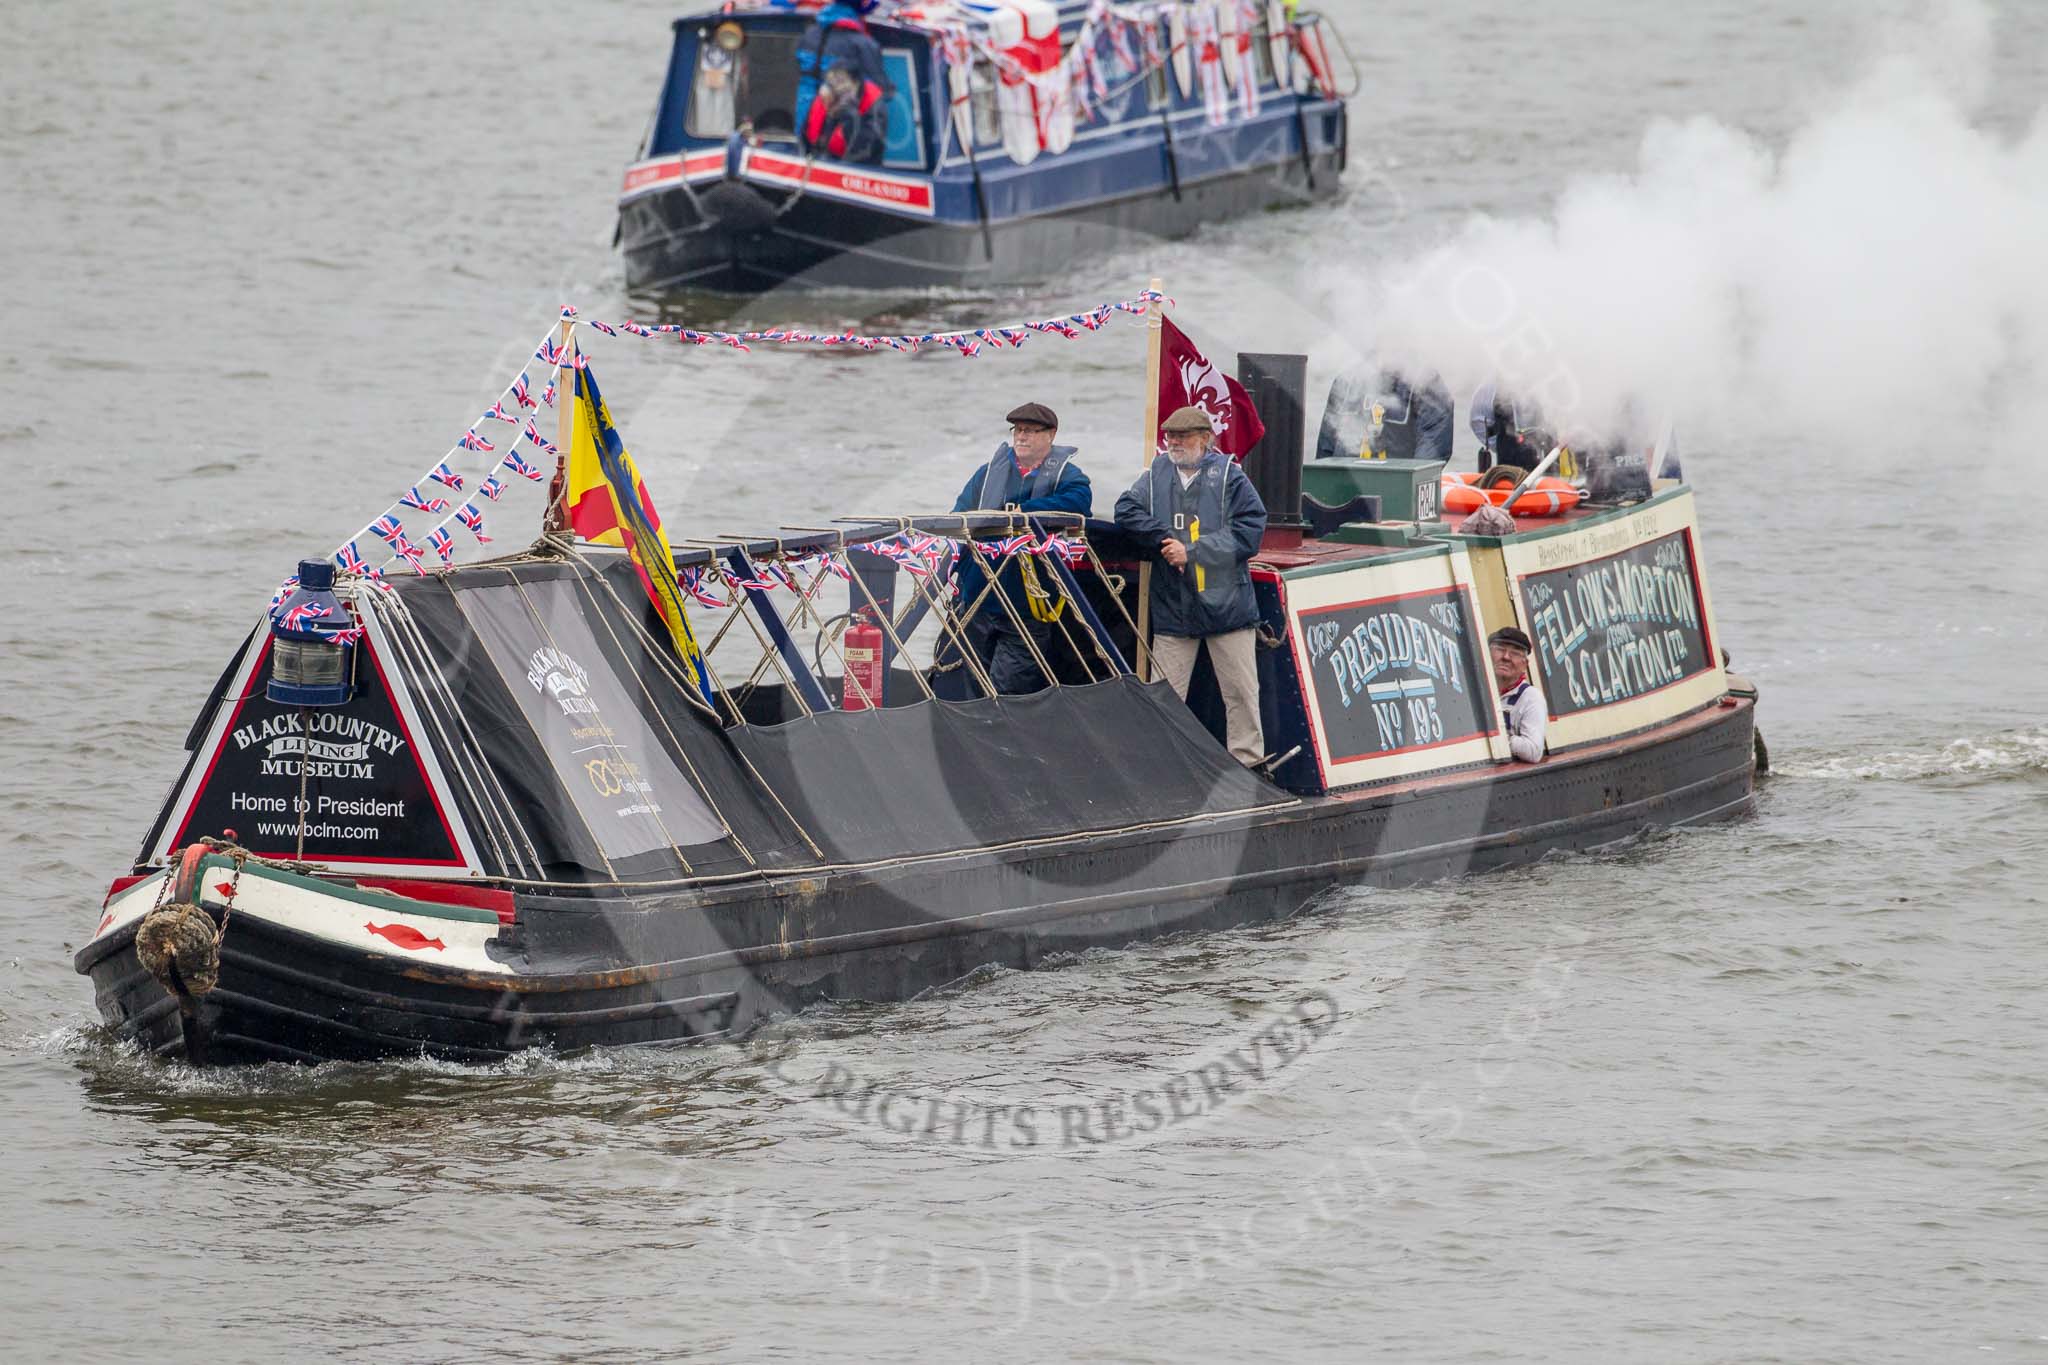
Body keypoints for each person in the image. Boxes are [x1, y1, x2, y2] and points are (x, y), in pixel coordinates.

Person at [1114, 405, 1269, 765]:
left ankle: (1249, 765)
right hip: (1174, 608)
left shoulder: (1231, 477)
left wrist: (1194, 552)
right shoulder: (1155, 475)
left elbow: (1250, 531)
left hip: (1227, 606)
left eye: (1182, 437)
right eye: (1170, 437)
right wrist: (1163, 537)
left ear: (1205, 439)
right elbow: (1126, 510)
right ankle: (1161, 766)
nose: (1174, 443)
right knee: (1164, 695)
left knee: (1241, 695)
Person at [945, 401, 1093, 695]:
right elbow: (958, 515)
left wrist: (1019, 512)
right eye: (1018, 430)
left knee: (1009, 690)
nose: (1021, 437)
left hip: (1028, 603)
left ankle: (1005, 738)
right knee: (974, 687)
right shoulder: (986, 474)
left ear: (1051, 435)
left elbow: (1079, 502)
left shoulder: (1068, 476)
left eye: (1030, 431)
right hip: (977, 597)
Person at [795, 1, 889, 157]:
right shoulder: (864, 44)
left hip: (804, 120)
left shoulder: (808, 35)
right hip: (839, 132)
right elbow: (881, 90)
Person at [1313, 366, 1454, 462]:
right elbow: (1326, 446)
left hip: (1398, 486)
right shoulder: (1348, 379)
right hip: (1346, 486)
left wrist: (1409, 482)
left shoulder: (1425, 381)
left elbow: (1432, 448)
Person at [802, 60, 888, 164]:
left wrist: (847, 114)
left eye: (840, 81)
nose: (836, 87)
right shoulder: (825, 99)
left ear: (856, 83)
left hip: (860, 167)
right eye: (830, 82)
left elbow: (867, 149)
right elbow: (806, 139)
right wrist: (830, 115)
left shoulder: (874, 105)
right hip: (822, 162)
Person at [1489, 626, 1546, 763]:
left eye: (1514, 653)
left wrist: (1500, 738)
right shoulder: (1480, 690)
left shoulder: (1531, 697)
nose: (1506, 657)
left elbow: (1533, 751)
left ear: (1524, 664)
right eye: (1500, 650)